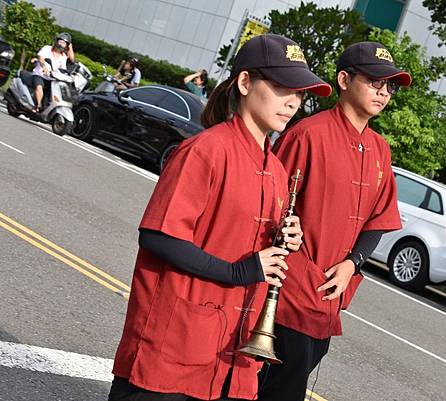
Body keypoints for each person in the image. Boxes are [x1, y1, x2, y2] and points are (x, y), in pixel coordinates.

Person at [108, 34, 331, 401]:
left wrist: (287, 238)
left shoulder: (276, 170)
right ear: (245, 82)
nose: (292, 102)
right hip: (173, 348)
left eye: (301, 93)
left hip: (233, 354)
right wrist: (238, 271)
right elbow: (157, 236)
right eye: (281, 87)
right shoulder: (205, 150)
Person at [258, 42, 410, 401]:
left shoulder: (379, 148)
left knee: (298, 370)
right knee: (277, 385)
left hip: (332, 290)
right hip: (290, 287)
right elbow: (270, 203)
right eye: (375, 81)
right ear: (344, 79)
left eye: (391, 86)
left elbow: (379, 220)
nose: (384, 91)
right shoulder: (308, 134)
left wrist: (352, 265)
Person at [28, 32, 75, 112]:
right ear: (56, 41)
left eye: (64, 43)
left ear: (66, 46)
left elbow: (65, 67)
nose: (61, 44)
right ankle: (38, 106)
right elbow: (41, 58)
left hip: (52, 78)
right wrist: (44, 67)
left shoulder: (63, 56)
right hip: (40, 75)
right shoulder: (47, 48)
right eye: (60, 41)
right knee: (39, 86)